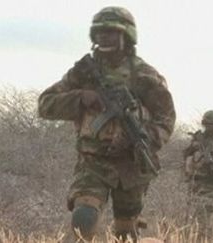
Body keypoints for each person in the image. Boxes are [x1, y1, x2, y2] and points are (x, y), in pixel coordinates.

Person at [38, 6, 176, 241]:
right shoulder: (83, 73)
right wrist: (81, 97)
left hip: (131, 164)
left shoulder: (144, 76)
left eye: (111, 31)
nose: (103, 36)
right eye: (99, 32)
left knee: (126, 231)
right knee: (83, 217)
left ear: (127, 35)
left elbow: (166, 118)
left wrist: (140, 138)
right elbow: (45, 104)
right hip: (93, 162)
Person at [183, 110, 213, 241]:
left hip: (212, 182)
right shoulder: (199, 138)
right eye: (208, 123)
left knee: (204, 213)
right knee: (194, 214)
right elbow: (186, 156)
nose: (210, 127)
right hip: (196, 181)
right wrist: (194, 148)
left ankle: (205, 238)